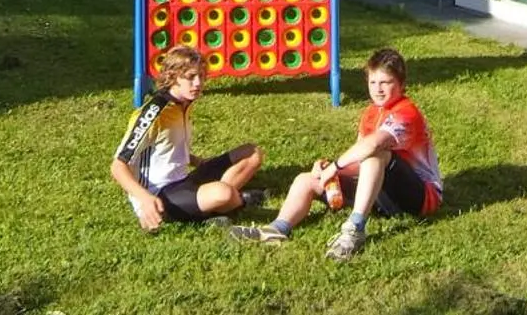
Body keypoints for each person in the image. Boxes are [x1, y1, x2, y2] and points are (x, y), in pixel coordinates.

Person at [229, 46, 442, 261]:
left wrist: (335, 167)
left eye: (385, 83)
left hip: (419, 198)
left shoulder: (406, 112)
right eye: (373, 82)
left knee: (378, 154)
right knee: (307, 179)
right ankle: (277, 228)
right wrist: (328, 170)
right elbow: (359, 158)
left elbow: (373, 145)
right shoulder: (370, 113)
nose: (378, 89)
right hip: (382, 195)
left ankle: (355, 229)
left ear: (402, 84)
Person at [111, 44, 263, 232]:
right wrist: (144, 198)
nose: (198, 83)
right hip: (161, 194)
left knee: (251, 153)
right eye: (191, 77)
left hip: (184, 179)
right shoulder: (153, 113)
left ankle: (216, 206)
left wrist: (197, 161)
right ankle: (237, 202)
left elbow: (166, 146)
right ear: (173, 77)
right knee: (223, 192)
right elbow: (118, 166)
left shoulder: (184, 103)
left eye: (201, 76)